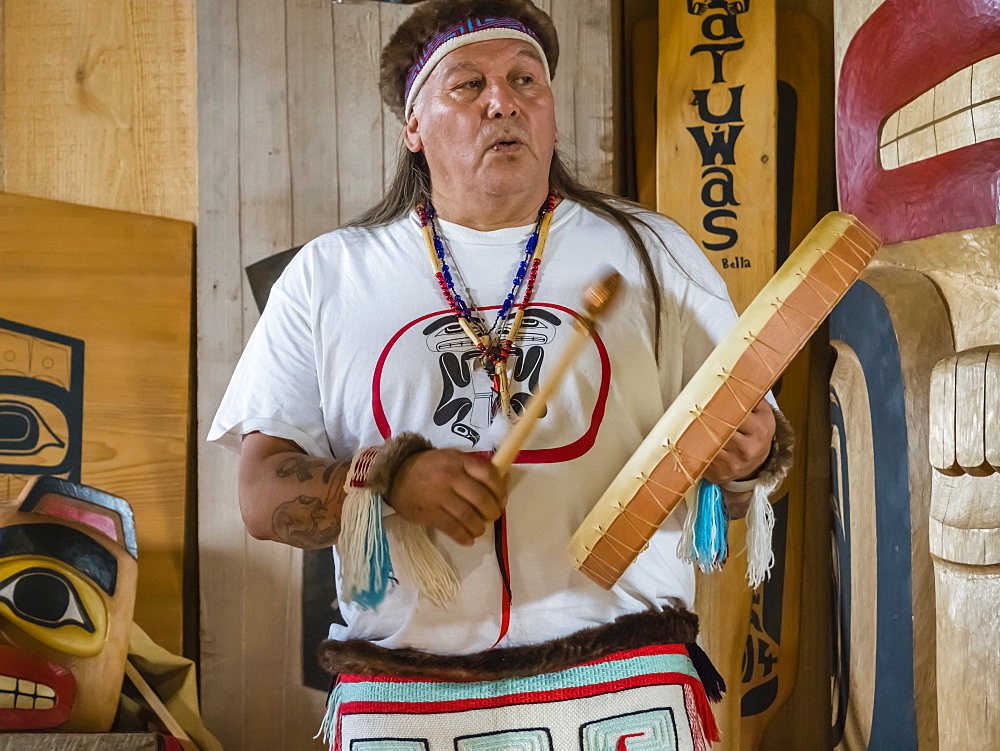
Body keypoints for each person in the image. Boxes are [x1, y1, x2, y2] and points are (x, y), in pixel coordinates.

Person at [209, 0, 791, 746]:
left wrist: (744, 453)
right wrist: (390, 481)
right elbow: (262, 497)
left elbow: (736, 474)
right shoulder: (330, 276)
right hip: (409, 702)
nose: (502, 100)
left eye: (526, 81)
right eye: (466, 84)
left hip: (624, 688)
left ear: (549, 116)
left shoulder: (657, 254)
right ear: (413, 127)